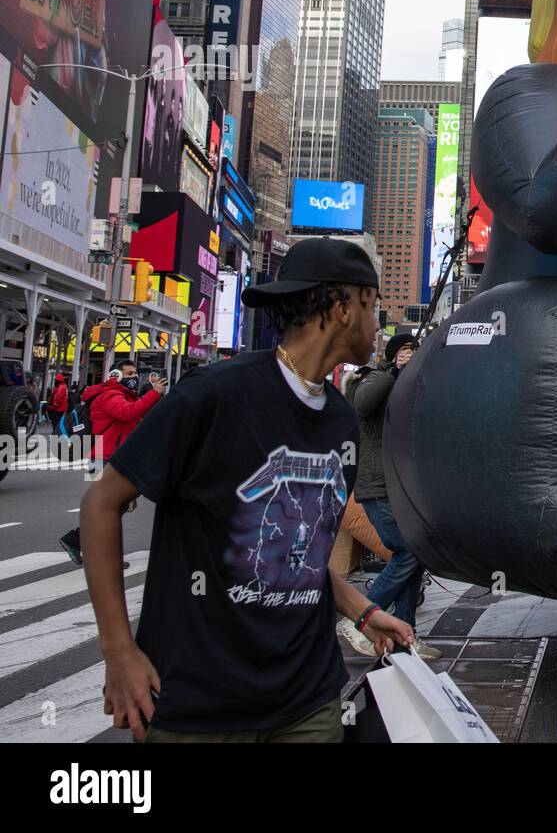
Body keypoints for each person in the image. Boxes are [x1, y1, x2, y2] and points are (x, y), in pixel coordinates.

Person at [79, 238, 418, 742]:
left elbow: (297, 561)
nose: (378, 323)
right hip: (200, 704)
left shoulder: (342, 423)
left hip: (308, 702)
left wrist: (361, 610)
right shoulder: (214, 396)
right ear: (344, 306)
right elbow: (100, 504)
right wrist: (119, 652)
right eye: (373, 306)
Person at [340, 332, 440, 661]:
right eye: (405, 350)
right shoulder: (371, 379)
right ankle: (358, 618)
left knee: (415, 556)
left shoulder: (415, 387)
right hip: (377, 486)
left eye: (415, 350)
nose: (410, 355)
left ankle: (404, 634)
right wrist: (395, 372)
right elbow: (364, 404)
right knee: (408, 550)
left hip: (403, 487)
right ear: (394, 355)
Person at [59, 362, 163, 567]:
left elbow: (134, 420)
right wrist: (155, 393)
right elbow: (128, 414)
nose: (134, 377)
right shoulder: (110, 395)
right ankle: (96, 553)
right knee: (109, 509)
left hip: (114, 458)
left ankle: (78, 541)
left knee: (109, 508)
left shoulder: (120, 395)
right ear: (115, 375)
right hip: (106, 458)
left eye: (135, 373)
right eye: (129, 373)